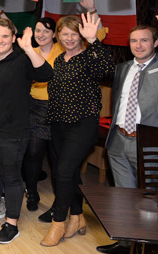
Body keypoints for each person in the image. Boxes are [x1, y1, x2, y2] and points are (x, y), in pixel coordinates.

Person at [0, 19, 53, 245]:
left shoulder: (23, 60)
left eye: (5, 36)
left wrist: (28, 48)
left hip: (13, 133)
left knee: (12, 178)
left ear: (13, 37)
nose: (0, 41)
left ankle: (12, 224)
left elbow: (46, 74)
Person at [41, 13, 114, 246]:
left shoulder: (90, 56)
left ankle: (58, 224)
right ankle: (77, 217)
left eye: (74, 34)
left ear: (82, 34)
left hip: (82, 124)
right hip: (58, 124)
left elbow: (108, 69)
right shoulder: (60, 60)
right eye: (65, 34)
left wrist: (94, 41)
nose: (69, 38)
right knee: (69, 173)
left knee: (62, 173)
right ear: (58, 36)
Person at [96, 22, 158, 254]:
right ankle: (126, 243)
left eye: (144, 40)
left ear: (156, 43)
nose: (138, 45)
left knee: (150, 199)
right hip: (118, 141)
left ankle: (148, 244)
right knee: (123, 197)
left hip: (148, 145)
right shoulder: (123, 68)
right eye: (134, 41)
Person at [24, 17, 63, 213]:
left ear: (54, 34)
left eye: (46, 31)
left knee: (58, 157)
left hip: (59, 108)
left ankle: (60, 199)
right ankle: (31, 192)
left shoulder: (64, 51)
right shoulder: (30, 52)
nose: (41, 35)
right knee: (33, 153)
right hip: (35, 108)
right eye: (38, 31)